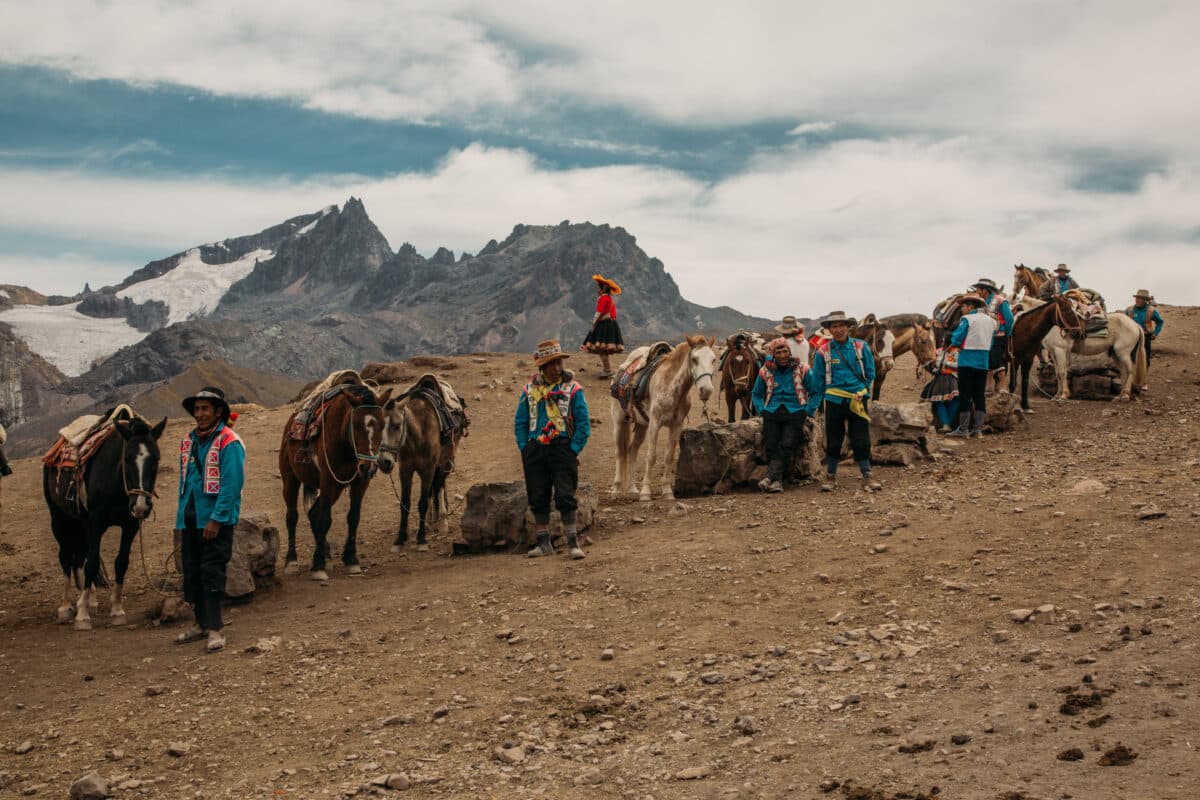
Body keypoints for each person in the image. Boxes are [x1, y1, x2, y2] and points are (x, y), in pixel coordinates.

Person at [174, 387, 245, 653]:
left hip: (216, 521)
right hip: (190, 519)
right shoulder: (189, 441)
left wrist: (217, 519)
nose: (200, 414)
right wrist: (182, 517)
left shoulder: (229, 442)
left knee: (212, 572)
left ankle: (216, 628)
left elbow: (232, 484)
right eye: (197, 409)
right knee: (192, 572)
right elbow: (187, 481)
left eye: (206, 408)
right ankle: (199, 624)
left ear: (218, 412)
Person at [515, 340, 591, 559]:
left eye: (558, 363)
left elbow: (583, 423)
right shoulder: (529, 391)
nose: (557, 368)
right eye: (551, 364)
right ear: (542, 366)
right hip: (535, 449)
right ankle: (543, 543)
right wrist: (524, 447)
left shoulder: (573, 389)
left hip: (563, 448)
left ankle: (573, 543)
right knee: (537, 495)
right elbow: (520, 421)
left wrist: (573, 449)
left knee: (566, 494)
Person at [809, 311, 880, 493]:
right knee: (833, 438)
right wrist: (822, 399)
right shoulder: (823, 352)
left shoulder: (861, 347)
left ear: (848, 328)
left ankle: (867, 475)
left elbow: (870, 372)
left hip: (858, 399)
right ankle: (831, 476)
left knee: (861, 437)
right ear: (829, 330)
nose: (838, 330)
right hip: (834, 401)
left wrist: (863, 391)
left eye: (841, 326)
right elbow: (817, 380)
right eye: (834, 326)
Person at [751, 337, 821, 493]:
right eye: (778, 352)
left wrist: (808, 410)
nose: (782, 355)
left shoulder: (803, 369)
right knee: (771, 445)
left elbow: (816, 392)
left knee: (787, 443)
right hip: (772, 411)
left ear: (790, 352)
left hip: (796, 411)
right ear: (773, 354)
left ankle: (769, 477)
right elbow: (756, 393)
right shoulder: (765, 371)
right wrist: (761, 408)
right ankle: (778, 482)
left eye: (785, 351)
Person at [947, 296, 996, 437]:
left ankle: (963, 429)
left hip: (966, 362)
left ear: (970, 307)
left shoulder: (967, 319)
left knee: (965, 395)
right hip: (983, 363)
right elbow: (991, 343)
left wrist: (956, 343)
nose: (962, 309)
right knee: (979, 395)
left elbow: (956, 339)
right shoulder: (992, 322)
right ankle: (978, 429)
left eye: (963, 307)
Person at [581, 275, 625, 379]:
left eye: (598, 288)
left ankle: (607, 370)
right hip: (610, 324)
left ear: (603, 289)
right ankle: (607, 370)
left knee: (602, 349)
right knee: (603, 349)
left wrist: (594, 324)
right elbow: (613, 313)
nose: (597, 290)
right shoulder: (609, 298)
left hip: (603, 325)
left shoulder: (604, 298)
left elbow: (599, 312)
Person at [972, 278, 1013, 373]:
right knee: (988, 363)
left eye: (978, 289)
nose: (976, 292)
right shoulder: (980, 303)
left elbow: (1009, 319)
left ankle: (1001, 386)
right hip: (984, 338)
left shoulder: (1000, 301)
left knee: (996, 363)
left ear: (984, 290)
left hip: (998, 337)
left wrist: (1006, 334)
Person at [920, 344, 960, 433]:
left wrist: (941, 363)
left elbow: (935, 369)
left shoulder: (939, 351)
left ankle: (946, 425)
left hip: (945, 379)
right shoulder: (959, 351)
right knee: (951, 401)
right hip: (952, 379)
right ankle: (949, 424)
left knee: (941, 402)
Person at [1126, 289, 1164, 378]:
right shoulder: (1129, 310)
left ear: (1145, 300)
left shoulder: (1151, 310)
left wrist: (1155, 333)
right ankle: (1130, 378)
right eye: (1137, 298)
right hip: (1131, 338)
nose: (1137, 300)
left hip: (1145, 337)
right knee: (1130, 357)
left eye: (1140, 298)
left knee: (1145, 358)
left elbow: (1160, 322)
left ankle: (1143, 379)